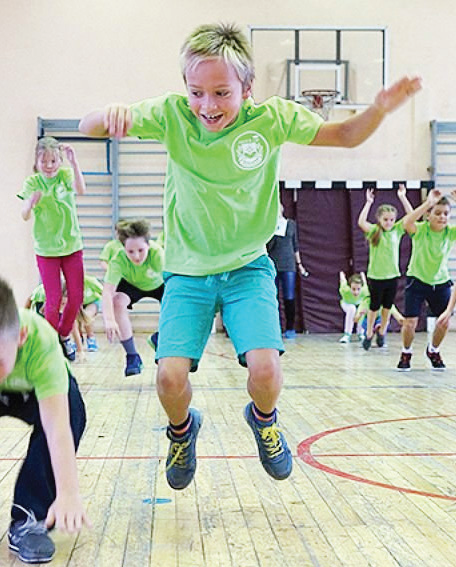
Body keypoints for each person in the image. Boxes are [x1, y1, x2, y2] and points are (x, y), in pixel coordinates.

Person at [79, 22, 420, 489]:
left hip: (247, 268)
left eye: (221, 93)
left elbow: (344, 136)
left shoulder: (272, 119)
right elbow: (87, 126)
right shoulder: (173, 115)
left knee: (265, 367)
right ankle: (182, 431)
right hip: (187, 273)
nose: (207, 106)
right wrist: (110, 114)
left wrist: (378, 110)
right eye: (197, 92)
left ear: (247, 88)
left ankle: (264, 421)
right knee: (169, 379)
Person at [0, 277, 90, 564]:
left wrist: (68, 492)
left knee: (73, 413)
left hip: (37, 390)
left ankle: (30, 517)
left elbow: (57, 428)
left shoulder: (40, 339)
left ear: (21, 337)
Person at [18, 137, 86, 362]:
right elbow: (24, 214)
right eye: (44, 161)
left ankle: (64, 335)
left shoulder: (66, 176)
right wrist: (30, 203)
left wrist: (74, 163)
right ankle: (50, 345)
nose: (49, 166)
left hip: (72, 246)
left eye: (54, 160)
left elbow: (81, 190)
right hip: (46, 250)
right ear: (36, 162)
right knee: (53, 299)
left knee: (76, 297)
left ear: (60, 161)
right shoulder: (32, 183)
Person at [397, 189, 456, 371]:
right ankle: (406, 352)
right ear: (428, 215)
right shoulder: (421, 230)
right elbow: (408, 221)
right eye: (438, 213)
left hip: (440, 283)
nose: (442, 217)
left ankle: (433, 350)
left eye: (446, 214)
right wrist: (428, 203)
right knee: (410, 322)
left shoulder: (450, 232)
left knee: (444, 321)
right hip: (417, 281)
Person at [102, 218, 164, 376]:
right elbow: (107, 291)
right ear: (124, 248)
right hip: (132, 284)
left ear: (148, 245)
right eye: (130, 252)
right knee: (117, 302)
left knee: (176, 302)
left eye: (141, 250)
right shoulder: (118, 259)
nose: (136, 256)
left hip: (158, 283)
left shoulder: (158, 254)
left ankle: (160, 337)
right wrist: (109, 320)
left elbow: (174, 283)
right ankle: (132, 356)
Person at [358, 184, 413, 350]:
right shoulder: (374, 230)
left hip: (392, 276)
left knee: (387, 307)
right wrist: (368, 202)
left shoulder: (397, 230)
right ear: (379, 219)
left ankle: (382, 331)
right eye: (385, 219)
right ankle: (369, 333)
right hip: (376, 276)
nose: (389, 222)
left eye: (391, 219)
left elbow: (411, 216)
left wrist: (403, 197)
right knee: (374, 307)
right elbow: (361, 222)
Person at [267, 208, 307, 339]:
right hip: (273, 264)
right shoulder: (269, 225)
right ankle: (274, 328)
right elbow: (267, 247)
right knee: (273, 297)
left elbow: (295, 246)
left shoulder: (290, 224)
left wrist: (299, 264)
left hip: (289, 264)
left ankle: (290, 328)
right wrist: (273, 232)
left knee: (289, 296)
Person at [338, 271, 369, 343]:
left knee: (362, 310)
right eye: (353, 289)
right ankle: (347, 334)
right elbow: (342, 280)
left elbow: (364, 283)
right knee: (352, 309)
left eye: (358, 289)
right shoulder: (344, 290)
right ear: (349, 287)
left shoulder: (365, 291)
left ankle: (361, 333)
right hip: (346, 303)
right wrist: (341, 274)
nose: (356, 292)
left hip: (359, 304)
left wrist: (362, 276)